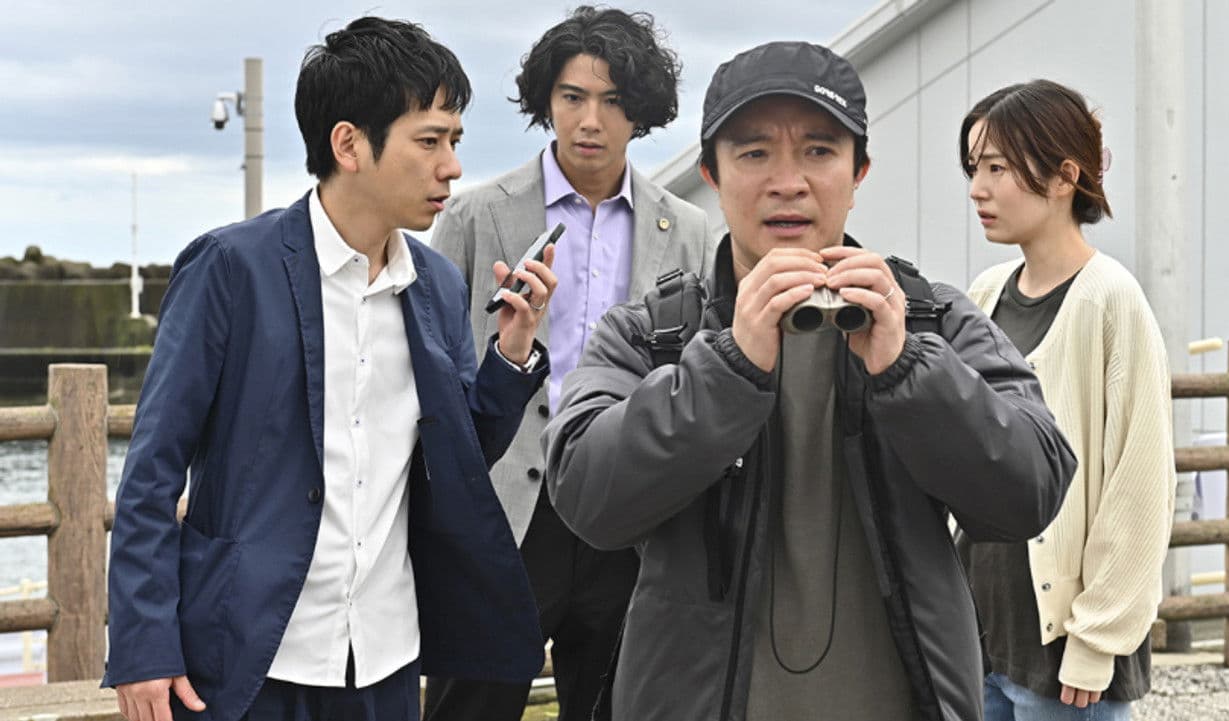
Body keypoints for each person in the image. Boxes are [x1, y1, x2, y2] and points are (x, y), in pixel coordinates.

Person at [542, 41, 1077, 721]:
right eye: (754, 152)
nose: (788, 182)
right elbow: (586, 496)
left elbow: (1032, 489)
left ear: (859, 174)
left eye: (819, 151)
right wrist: (727, 367)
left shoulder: (929, 320)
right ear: (712, 175)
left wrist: (907, 367)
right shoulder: (656, 332)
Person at [103, 17, 556, 721]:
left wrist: (512, 354)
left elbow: (458, 459)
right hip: (247, 656)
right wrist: (144, 647)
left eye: (455, 141)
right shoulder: (231, 269)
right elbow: (152, 470)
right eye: (430, 141)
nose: (452, 167)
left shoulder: (435, 284)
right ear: (348, 144)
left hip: (384, 657)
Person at [424, 7, 713, 721]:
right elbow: (433, 365)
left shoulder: (689, 230)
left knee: (621, 704)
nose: (590, 120)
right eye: (572, 96)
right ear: (545, 101)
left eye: (613, 100)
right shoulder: (475, 215)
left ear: (641, 111)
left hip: (628, 507)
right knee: (471, 705)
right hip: (504, 507)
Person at [960, 79, 1176, 720]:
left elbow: (1140, 483)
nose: (977, 189)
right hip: (982, 638)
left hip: (1064, 657)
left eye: (997, 168)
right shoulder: (986, 293)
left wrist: (1097, 639)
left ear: (1064, 177)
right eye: (974, 168)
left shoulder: (1111, 299)